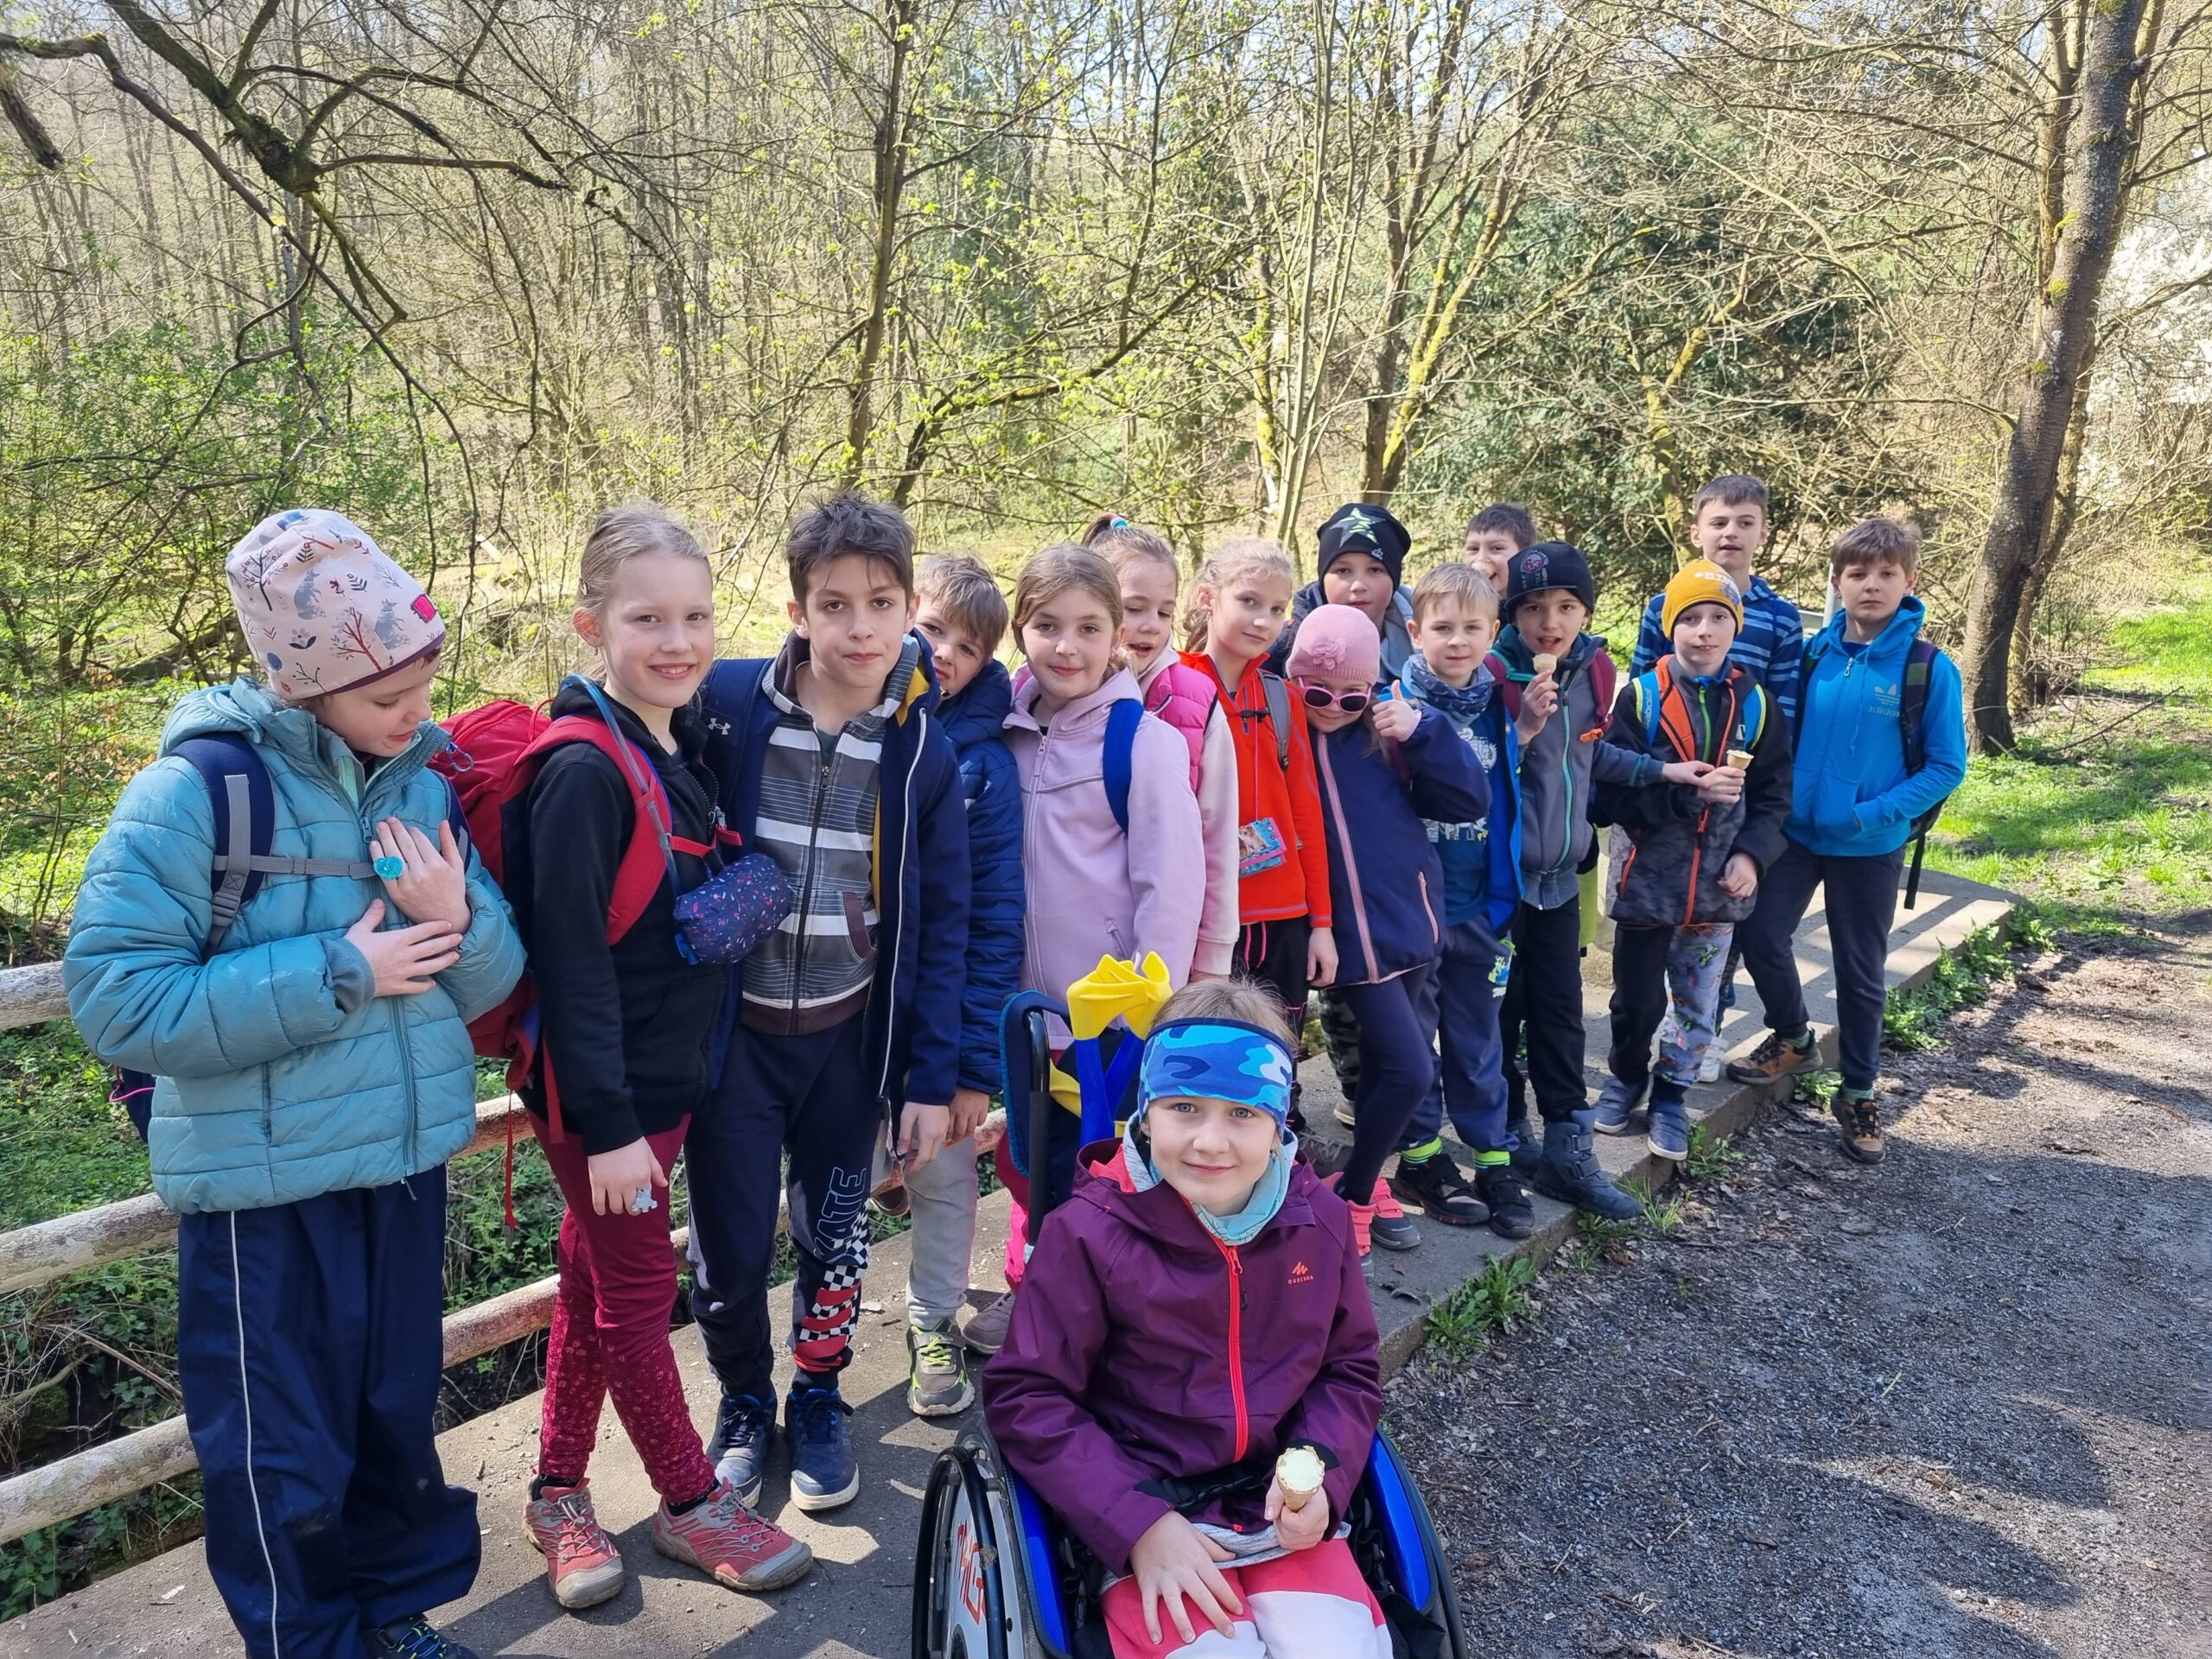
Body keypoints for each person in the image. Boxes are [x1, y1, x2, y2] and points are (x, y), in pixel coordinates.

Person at [66, 509, 525, 1659]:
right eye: (387, 696)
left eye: (424, 684)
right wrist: (339, 972)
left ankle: (394, 1621)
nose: (416, 713)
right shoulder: (196, 796)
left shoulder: (421, 789)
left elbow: (491, 979)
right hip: (263, 1197)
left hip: (402, 1170)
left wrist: (453, 916)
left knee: (390, 1420)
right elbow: (117, 1000)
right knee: (281, 1452)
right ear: (304, 684)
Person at [510, 505, 811, 1609]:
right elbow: (572, 964)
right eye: (647, 619)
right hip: (609, 1101)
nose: (678, 641)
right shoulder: (584, 773)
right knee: (637, 1297)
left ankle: (556, 1492)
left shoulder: (674, 744)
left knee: (597, 1280)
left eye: (695, 616)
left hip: (660, 1084)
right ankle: (689, 1503)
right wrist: (609, 1127)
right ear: (592, 624)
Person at [690, 493, 972, 1514]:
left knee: (834, 1232)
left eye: (882, 603)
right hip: (734, 1043)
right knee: (726, 1246)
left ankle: (816, 1394)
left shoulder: (921, 750)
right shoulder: (727, 706)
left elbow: (942, 923)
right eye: (835, 604)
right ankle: (741, 1400)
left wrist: (929, 1078)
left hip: (847, 1046)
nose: (860, 628)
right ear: (798, 611)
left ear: (908, 609)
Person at [982, 979, 1390, 1659]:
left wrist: (1321, 1471)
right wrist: (1137, 1524)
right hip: (1141, 1501)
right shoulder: (1090, 1233)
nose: (1210, 1140)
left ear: (1279, 1124)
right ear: (1145, 1115)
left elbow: (1347, 1368)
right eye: (1184, 1107)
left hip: (1277, 1504)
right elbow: (1027, 1394)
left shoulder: (1318, 1222)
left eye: (1243, 1114)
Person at [1726, 517, 1965, 1164]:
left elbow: (1946, 766)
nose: (1871, 585)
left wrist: (1870, 815)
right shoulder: (1812, 656)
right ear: (1837, 582)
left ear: (1910, 581)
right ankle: (1795, 1038)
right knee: (1759, 934)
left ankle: (1857, 1092)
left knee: (1860, 973)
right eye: (1857, 574)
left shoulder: (1926, 669)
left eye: (1887, 573)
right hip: (1796, 835)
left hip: (1869, 842)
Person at [1486, 542, 1707, 1219]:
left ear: (1585, 611)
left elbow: (1592, 754)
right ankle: (1504, 1133)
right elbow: (1470, 769)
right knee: (1498, 1015)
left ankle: (1568, 1151)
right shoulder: (1490, 672)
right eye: (1532, 608)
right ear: (1512, 615)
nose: (1549, 622)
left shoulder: (1596, 669)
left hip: (1561, 878)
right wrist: (1523, 727)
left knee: (1560, 1016)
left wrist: (1663, 771)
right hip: (1499, 886)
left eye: (1565, 606)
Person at [1001, 541, 1206, 1223]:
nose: (1067, 647)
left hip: (1110, 1031)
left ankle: (1076, 1282)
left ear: (1117, 636)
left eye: (1088, 628)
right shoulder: (1003, 734)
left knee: (1099, 1186)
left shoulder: (1144, 743)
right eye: (1047, 626)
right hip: (1026, 1019)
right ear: (1019, 631)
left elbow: (1170, 890)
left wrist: (1141, 1016)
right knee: (1031, 1167)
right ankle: (1038, 1267)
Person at [1291, 606, 1489, 1258]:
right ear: (1295, 680)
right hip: (1348, 940)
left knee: (1387, 1068)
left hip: (1412, 924)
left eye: (1352, 695)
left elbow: (1468, 802)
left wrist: (1426, 730)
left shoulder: (1387, 730)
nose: (1334, 707)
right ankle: (1352, 1195)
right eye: (1317, 692)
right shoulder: (1285, 733)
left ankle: (1362, 1185)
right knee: (1410, 1069)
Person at [1589, 560, 1793, 1161]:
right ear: (1670, 626)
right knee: (1635, 1000)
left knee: (1698, 1003)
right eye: (1690, 618)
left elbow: (1776, 795)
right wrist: (1684, 795)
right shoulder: (1641, 698)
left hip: (1717, 891)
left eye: (1717, 619)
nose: (1704, 631)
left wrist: (1753, 856)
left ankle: (1672, 1095)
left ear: (1736, 628)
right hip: (1646, 885)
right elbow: (1611, 796)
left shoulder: (1757, 705)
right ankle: (1626, 1078)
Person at [900, 553, 1025, 1414]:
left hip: (939, 1019)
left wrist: (975, 1067)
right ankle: (819, 1348)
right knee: (833, 1184)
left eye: (968, 646)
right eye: (932, 629)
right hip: (844, 1016)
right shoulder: (849, 722)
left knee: (943, 1177)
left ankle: (933, 1320)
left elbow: (993, 922)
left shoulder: (985, 768)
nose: (944, 653)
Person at [1630, 474, 1806, 1079]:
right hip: (1669, 788)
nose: (1731, 533)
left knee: (1719, 917)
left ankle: (1703, 1030)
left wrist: (1751, 816)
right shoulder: (1662, 605)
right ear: (1696, 531)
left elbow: (1782, 713)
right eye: (1719, 522)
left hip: (1736, 794)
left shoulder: (1780, 618)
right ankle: (1647, 1037)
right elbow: (1641, 692)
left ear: (1763, 533)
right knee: (1654, 923)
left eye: (1745, 523)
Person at [1387, 563, 1535, 1239]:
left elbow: (1505, 798)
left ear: (1493, 632)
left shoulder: (1498, 707)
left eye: (1472, 628)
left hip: (1479, 905)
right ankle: (1421, 1156)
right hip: (1415, 911)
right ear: (1415, 631)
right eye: (1442, 627)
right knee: (1414, 1042)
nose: (1457, 640)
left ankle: (1493, 1159)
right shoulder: (1393, 705)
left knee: (1478, 1040)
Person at [1178, 537, 1336, 1127]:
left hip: (1284, 915)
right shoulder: (1174, 687)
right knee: (1210, 1052)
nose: (1263, 620)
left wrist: (1322, 924)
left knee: (1277, 1053)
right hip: (1208, 918)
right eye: (1248, 601)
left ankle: (1285, 1150)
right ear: (1207, 598)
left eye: (1276, 608)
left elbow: (1307, 817)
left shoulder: (1282, 698)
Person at [1085, 512, 1241, 978]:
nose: (1152, 626)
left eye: (1165, 612)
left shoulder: (1196, 700)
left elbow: (1217, 837)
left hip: (1162, 960)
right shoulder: (1043, 693)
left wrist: (1212, 962)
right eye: (1134, 608)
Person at [1269, 502, 1417, 679]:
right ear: (1323, 580)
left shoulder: (1431, 645)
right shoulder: (1278, 647)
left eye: (1374, 570)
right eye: (1343, 571)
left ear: (1394, 579)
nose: (1358, 585)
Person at [1461, 501, 1537, 589]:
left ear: (1525, 557)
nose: (1481, 559)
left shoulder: (1540, 597)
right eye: (1473, 549)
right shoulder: (1452, 595)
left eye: (1496, 548)